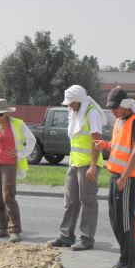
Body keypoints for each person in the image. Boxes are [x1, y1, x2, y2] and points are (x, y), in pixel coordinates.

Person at [94, 87, 135, 268]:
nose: (112, 111)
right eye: (110, 108)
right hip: (117, 175)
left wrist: (124, 176)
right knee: (115, 218)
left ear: (126, 105)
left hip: (127, 177)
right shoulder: (120, 122)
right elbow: (118, 146)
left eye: (115, 107)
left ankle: (126, 262)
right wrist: (104, 144)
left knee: (124, 220)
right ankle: (132, 254)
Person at [48, 85, 107, 251]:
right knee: (70, 201)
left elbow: (97, 143)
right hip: (74, 163)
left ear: (80, 100)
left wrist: (93, 167)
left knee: (88, 202)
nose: (69, 105)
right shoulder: (74, 113)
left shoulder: (91, 114)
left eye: (72, 102)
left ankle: (87, 239)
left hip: (88, 165)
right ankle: (66, 236)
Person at [0, 99, 35, 243]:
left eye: (0, 114)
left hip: (9, 164)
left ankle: (15, 229)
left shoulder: (18, 124)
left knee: (8, 196)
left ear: (6, 113)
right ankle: (1, 228)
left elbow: (31, 140)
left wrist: (20, 153)